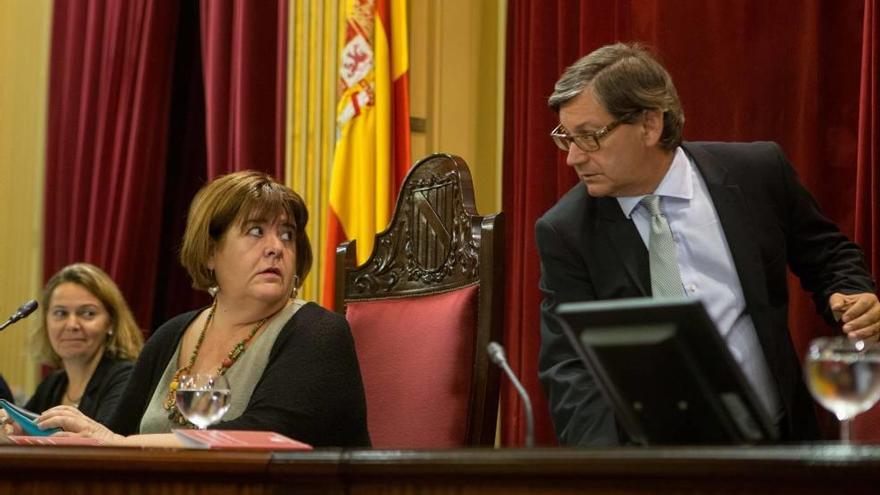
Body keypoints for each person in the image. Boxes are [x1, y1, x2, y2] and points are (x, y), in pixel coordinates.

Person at [536, 42, 880, 446]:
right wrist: (614, 471)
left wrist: (852, 293)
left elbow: (827, 254)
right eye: (566, 138)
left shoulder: (756, 173)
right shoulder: (567, 231)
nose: (573, 158)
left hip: (779, 447)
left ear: (650, 125)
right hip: (655, 462)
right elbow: (570, 367)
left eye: (590, 137)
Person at [35, 171, 370, 447]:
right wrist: (38, 433)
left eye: (287, 235)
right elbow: (114, 431)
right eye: (256, 231)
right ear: (210, 252)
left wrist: (116, 443)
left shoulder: (320, 333)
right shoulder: (171, 336)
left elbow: (263, 437)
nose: (276, 248)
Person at [2, 263, 143, 431]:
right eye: (60, 313)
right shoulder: (53, 384)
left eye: (88, 313)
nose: (71, 325)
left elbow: (107, 444)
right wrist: (11, 426)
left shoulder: (126, 379)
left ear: (111, 323)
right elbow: (25, 429)